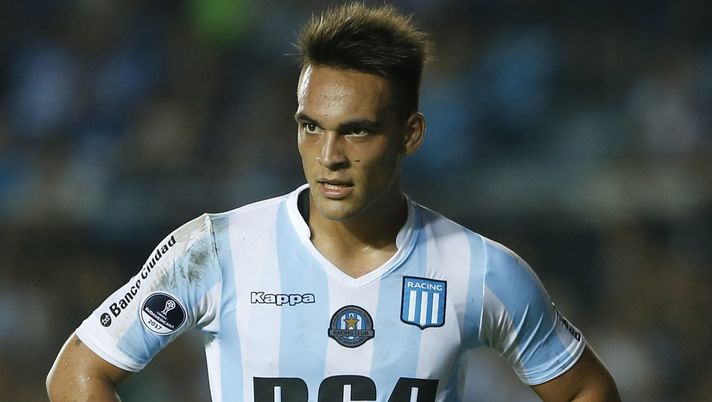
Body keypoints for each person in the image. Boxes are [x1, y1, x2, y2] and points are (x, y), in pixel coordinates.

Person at [47, 3, 621, 401]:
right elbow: (78, 373)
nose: (329, 155)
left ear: (411, 134)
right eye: (311, 127)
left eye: (357, 131)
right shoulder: (214, 250)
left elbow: (587, 390)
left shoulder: (480, 268)